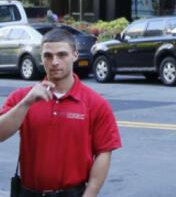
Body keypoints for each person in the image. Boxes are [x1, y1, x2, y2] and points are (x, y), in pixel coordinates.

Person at [0, 28, 121, 197]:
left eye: (62, 55)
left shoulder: (96, 104)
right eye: (48, 56)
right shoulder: (23, 97)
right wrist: (26, 103)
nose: (55, 62)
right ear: (41, 58)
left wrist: (90, 194)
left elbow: (103, 153)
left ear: (75, 55)